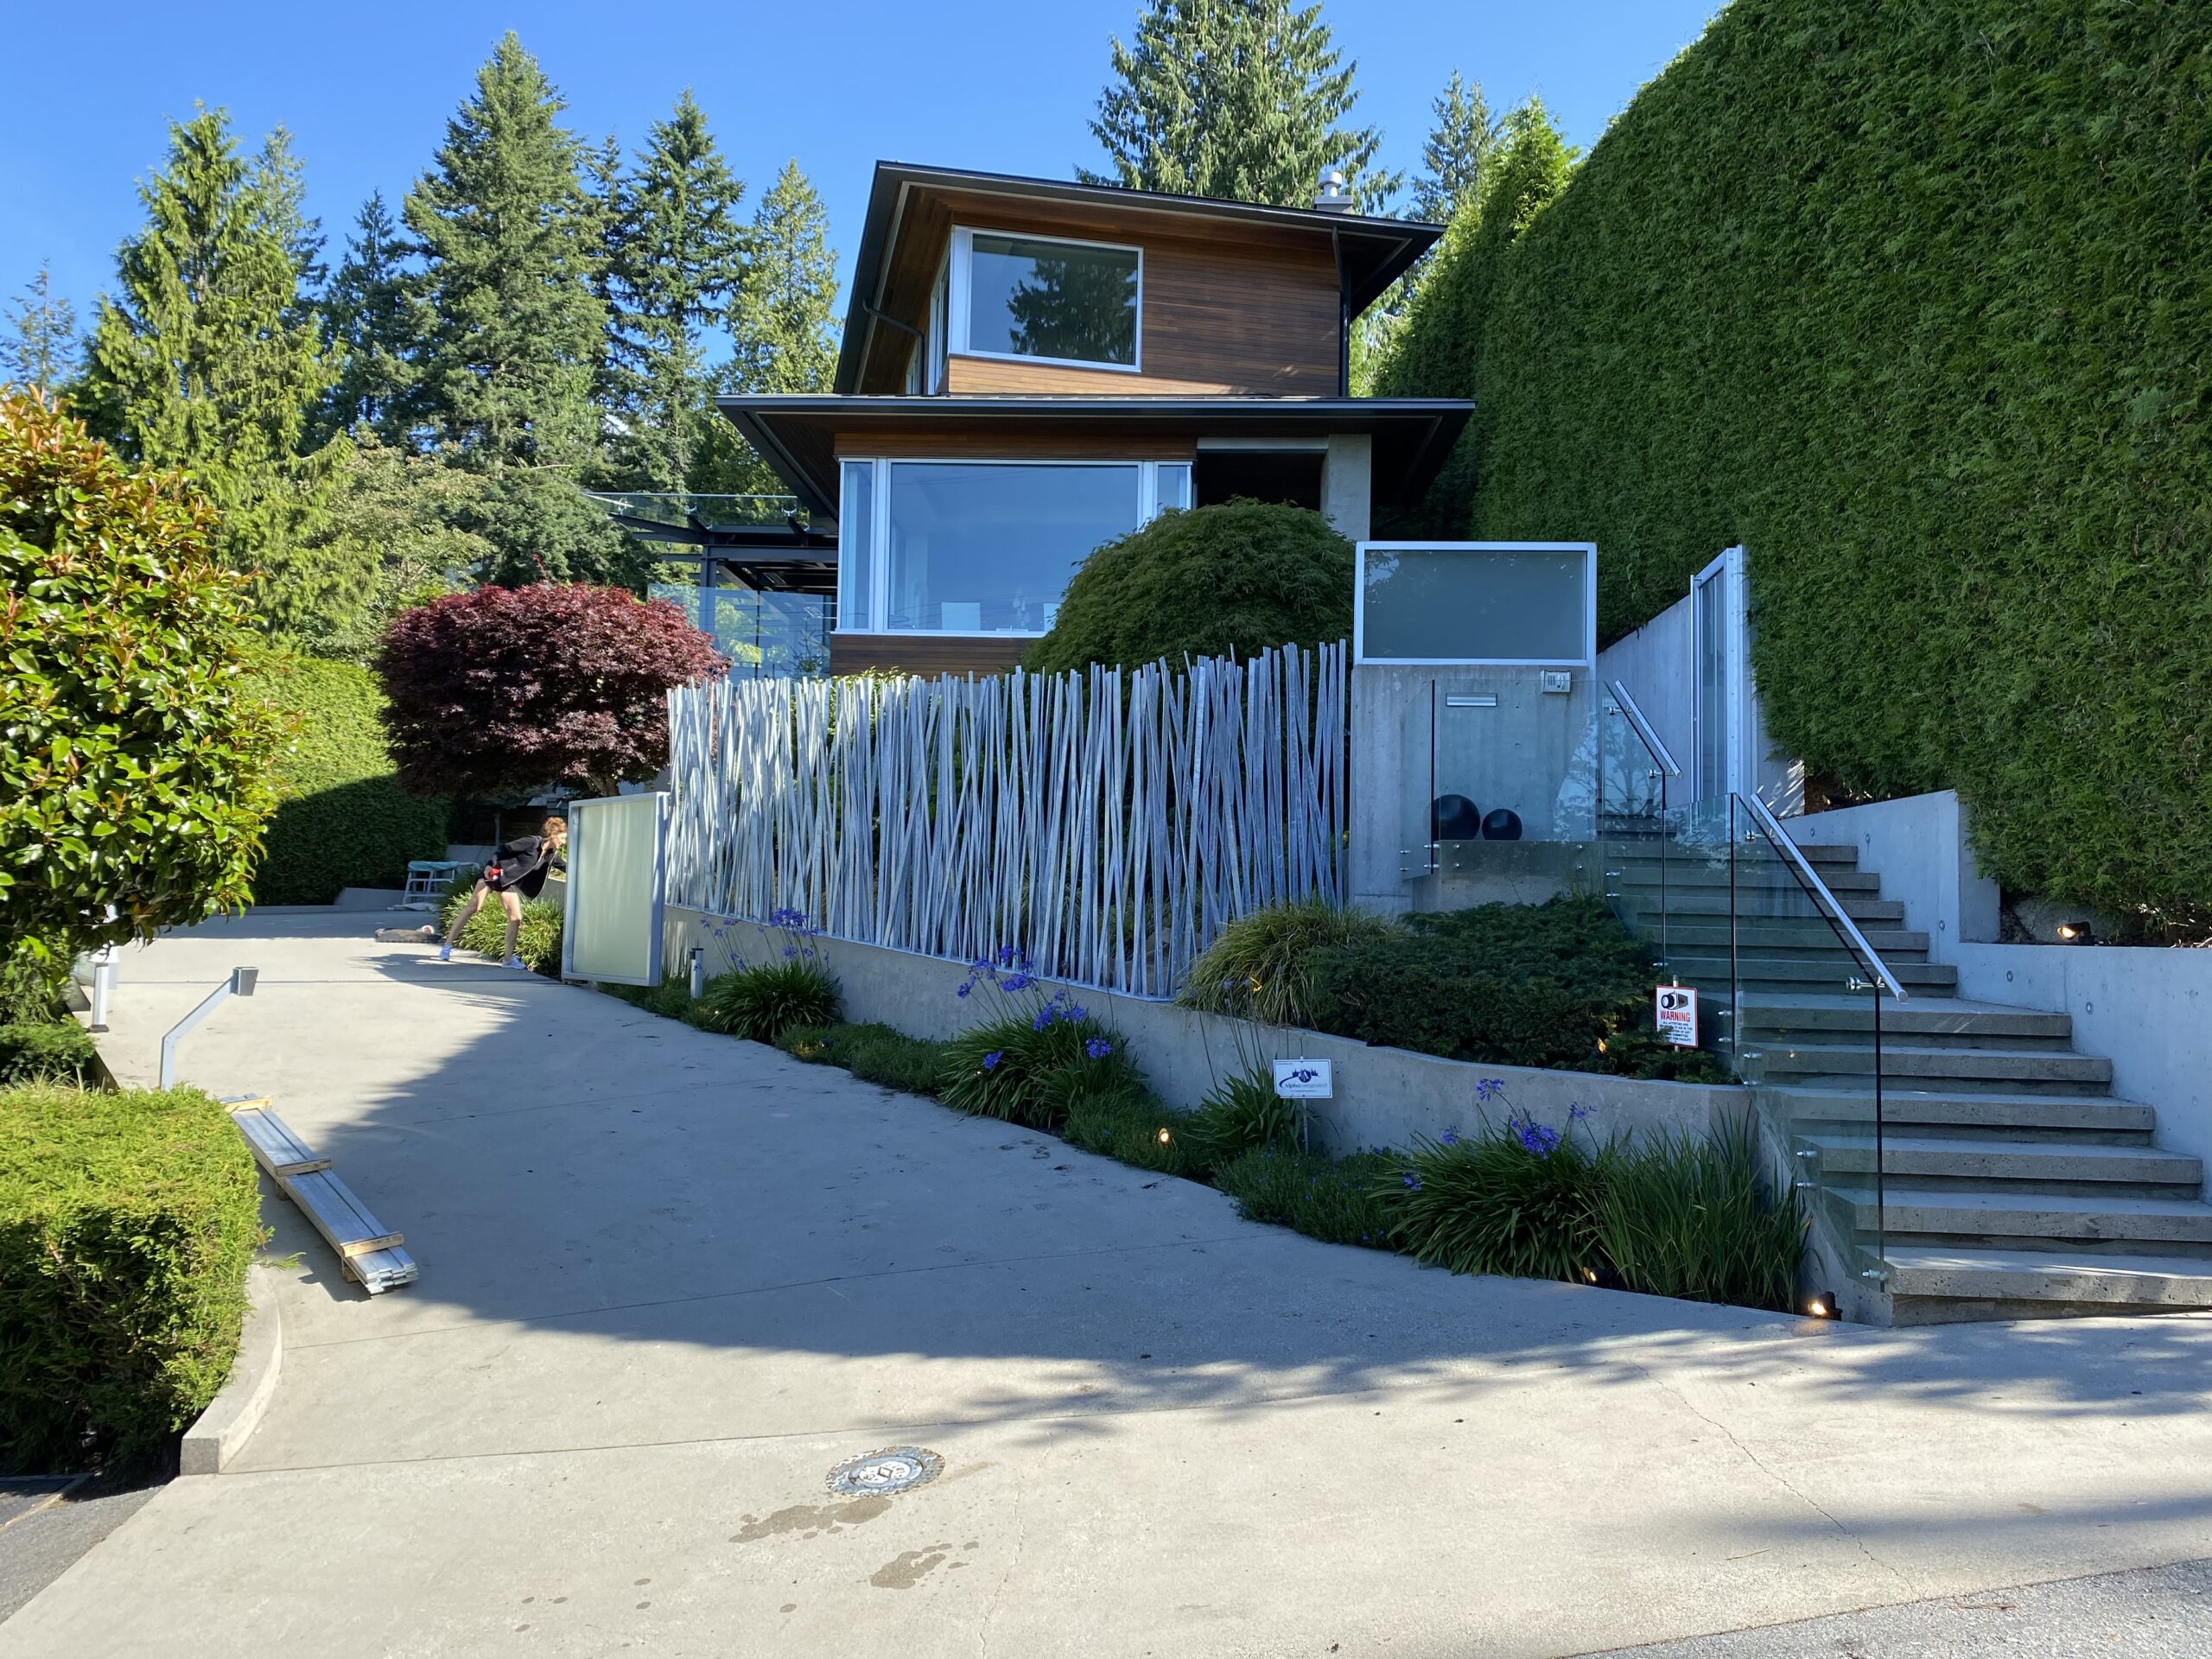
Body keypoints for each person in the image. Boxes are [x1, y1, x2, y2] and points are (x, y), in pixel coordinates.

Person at [440, 816, 568, 969]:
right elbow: (504, 849)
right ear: (553, 835)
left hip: (507, 884)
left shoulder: (552, 855)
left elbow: (567, 867)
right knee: (474, 907)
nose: (564, 842)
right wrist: (489, 866)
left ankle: (508, 960)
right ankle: (447, 947)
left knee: (516, 918)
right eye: (562, 838)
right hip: (495, 874)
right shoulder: (532, 842)